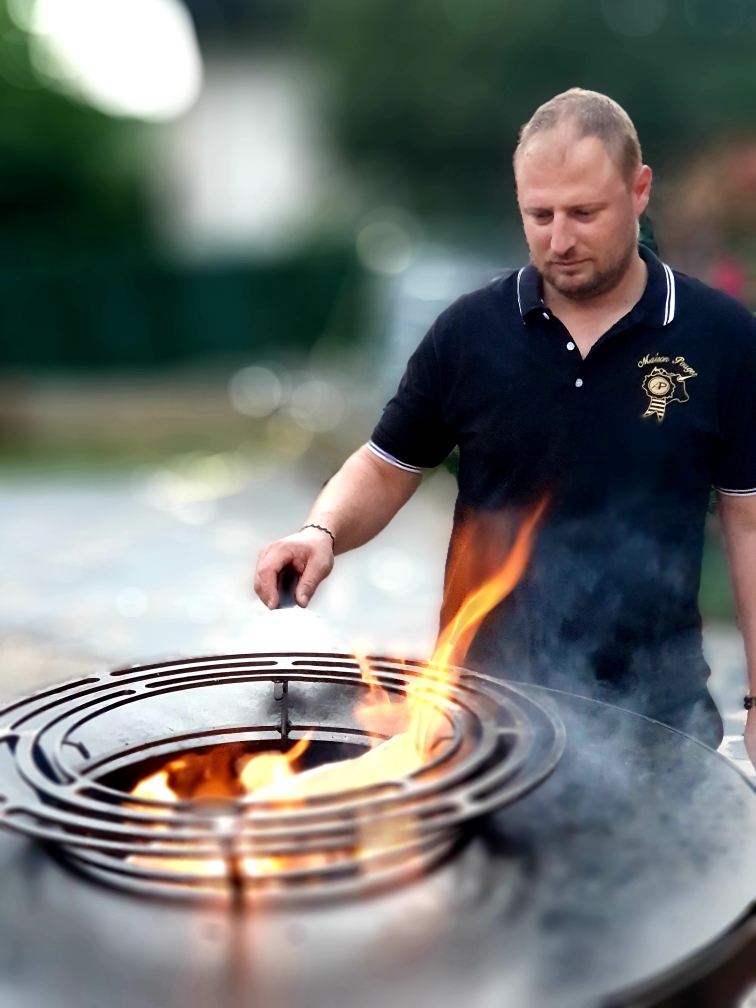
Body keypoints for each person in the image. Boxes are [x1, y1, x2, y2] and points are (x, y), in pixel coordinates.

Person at [255, 88, 756, 751]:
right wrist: (322, 531)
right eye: (539, 214)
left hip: (657, 726)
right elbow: (384, 467)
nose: (561, 239)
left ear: (639, 191)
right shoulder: (469, 334)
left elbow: (748, 521)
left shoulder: (720, 337)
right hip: (481, 726)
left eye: (584, 212)